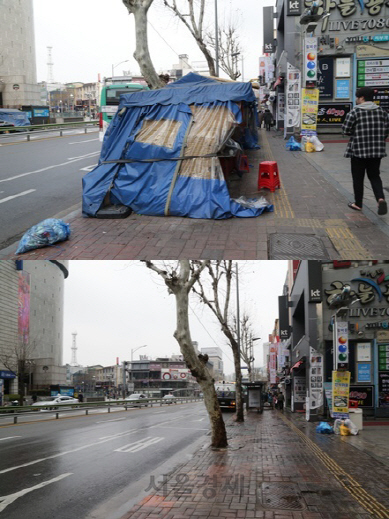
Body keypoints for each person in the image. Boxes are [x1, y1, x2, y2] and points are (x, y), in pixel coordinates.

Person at [342, 86, 389, 215]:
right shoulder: (382, 112)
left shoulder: (354, 112)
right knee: (374, 176)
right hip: (376, 151)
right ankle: (380, 198)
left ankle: (358, 203)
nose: (356, 100)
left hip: (358, 151)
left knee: (358, 178)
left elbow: (345, 130)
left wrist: (355, 133)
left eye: (357, 97)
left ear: (362, 98)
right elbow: (386, 132)